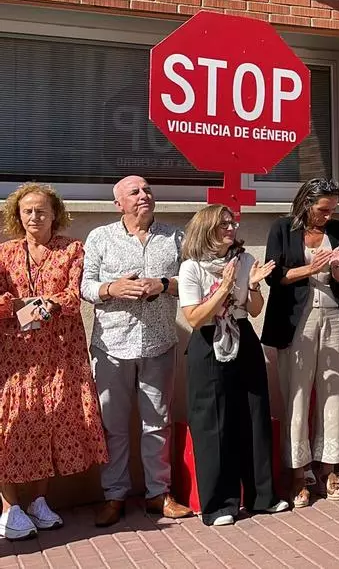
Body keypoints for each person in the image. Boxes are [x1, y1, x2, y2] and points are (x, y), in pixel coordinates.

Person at [81, 176, 193, 527]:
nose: (144, 195)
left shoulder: (175, 237)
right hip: (111, 346)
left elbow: (192, 281)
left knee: (157, 423)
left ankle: (158, 493)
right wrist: (111, 289)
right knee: (113, 427)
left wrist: (163, 284)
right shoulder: (100, 237)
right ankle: (114, 496)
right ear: (119, 204)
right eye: (135, 192)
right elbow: (85, 286)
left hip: (159, 343)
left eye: (147, 190)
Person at [0, 183, 107, 540]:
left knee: (47, 423)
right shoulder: (5, 253)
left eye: (41, 210)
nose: (34, 216)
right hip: (15, 357)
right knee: (10, 426)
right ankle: (8, 508)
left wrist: (42, 303)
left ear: (54, 214)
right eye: (27, 210)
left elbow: (73, 296)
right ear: (18, 215)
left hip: (58, 353)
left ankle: (38, 501)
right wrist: (22, 305)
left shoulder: (72, 249)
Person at [178, 205, 290, 526]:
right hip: (208, 341)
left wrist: (252, 286)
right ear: (207, 230)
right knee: (213, 422)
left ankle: (262, 497)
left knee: (254, 416)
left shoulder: (244, 260)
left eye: (232, 223)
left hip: (243, 337)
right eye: (223, 224)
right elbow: (195, 317)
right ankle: (219, 505)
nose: (231, 228)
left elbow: (254, 310)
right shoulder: (191, 268)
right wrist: (224, 288)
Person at [263, 178, 339, 507]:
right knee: (297, 394)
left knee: (333, 392)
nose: (329, 216)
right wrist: (310, 268)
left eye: (332, 210)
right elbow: (274, 277)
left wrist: (338, 269)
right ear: (306, 204)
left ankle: (329, 467)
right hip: (295, 320)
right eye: (323, 210)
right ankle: (298, 474)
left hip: (333, 315)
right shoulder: (282, 228)